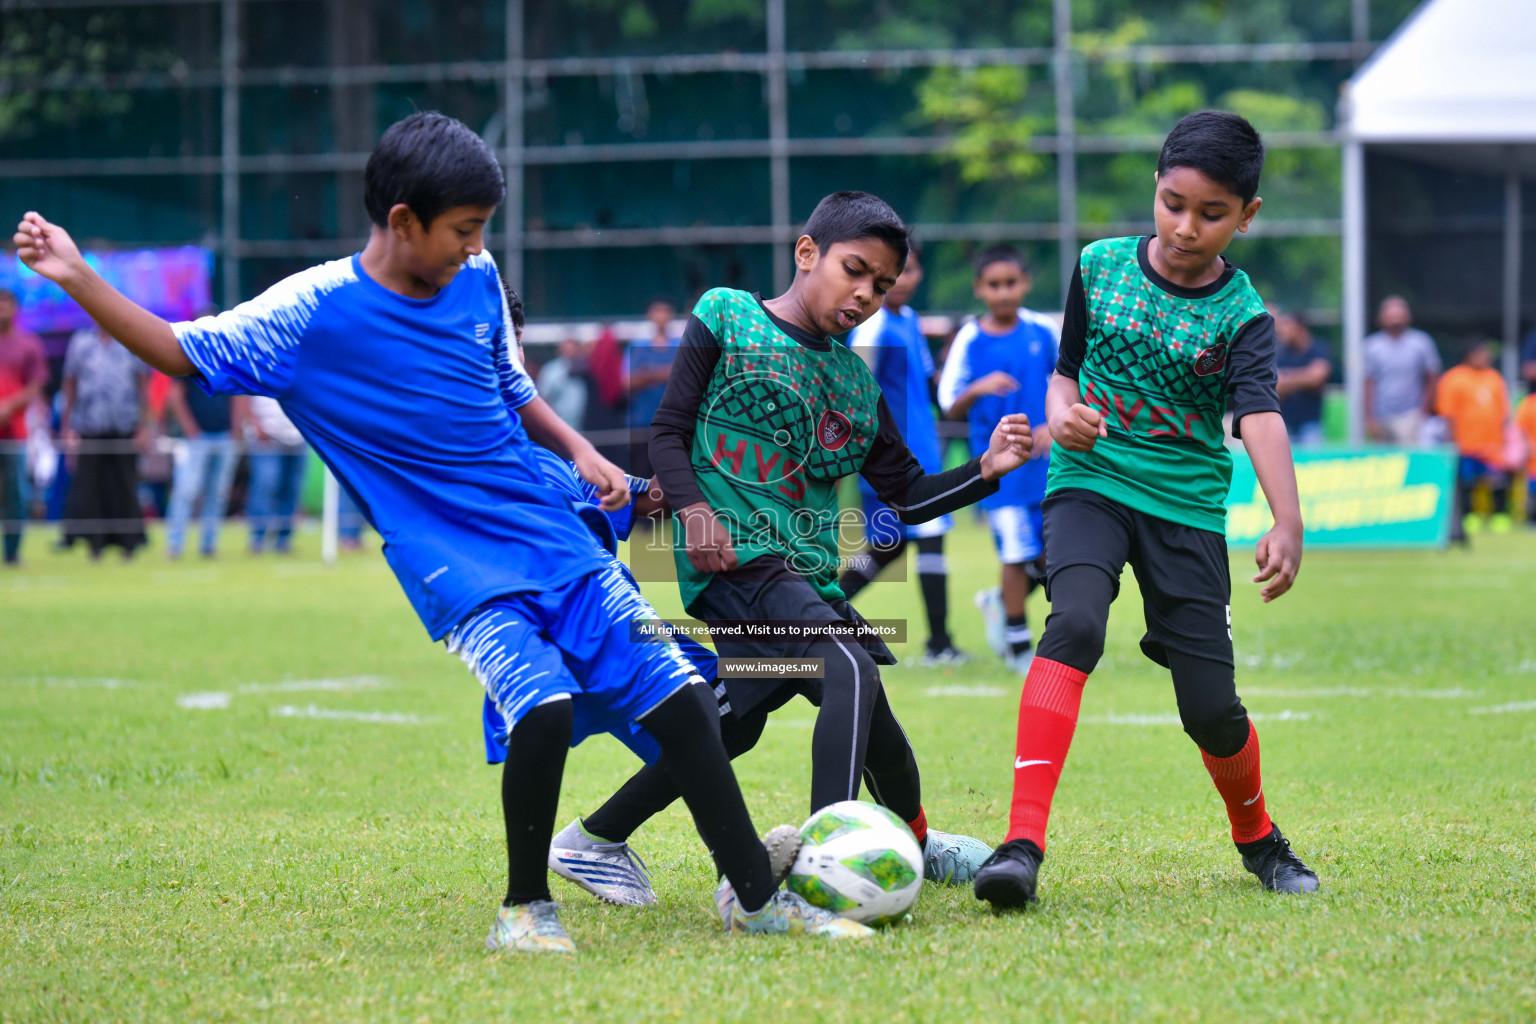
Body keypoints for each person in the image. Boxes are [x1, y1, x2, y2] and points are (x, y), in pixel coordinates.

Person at [14, 111, 869, 952]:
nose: (473, 245)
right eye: (462, 229)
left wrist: (582, 454)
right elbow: (177, 349)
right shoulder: (308, 312)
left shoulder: (479, 275)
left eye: (480, 230)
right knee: (541, 704)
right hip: (452, 561)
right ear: (401, 221)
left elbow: (510, 381)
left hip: (552, 534)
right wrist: (77, 275)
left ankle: (757, 901)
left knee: (682, 697)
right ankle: (525, 912)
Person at [574, 191, 1034, 900]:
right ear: (807, 252)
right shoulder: (725, 314)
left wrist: (985, 471)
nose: (865, 293)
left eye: (881, 285)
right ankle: (822, 868)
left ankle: (595, 839)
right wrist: (695, 513)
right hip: (733, 565)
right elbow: (668, 432)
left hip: (800, 577)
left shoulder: (853, 379)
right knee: (848, 668)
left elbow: (907, 493)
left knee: (756, 723)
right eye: (854, 270)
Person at [973, 110, 1319, 909]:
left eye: (1211, 213)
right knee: (1077, 624)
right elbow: (1065, 374)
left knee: (1210, 709)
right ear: (1154, 187)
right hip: (1091, 483)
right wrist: (1061, 416)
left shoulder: (1243, 314)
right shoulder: (1098, 267)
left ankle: (1259, 839)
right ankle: (1020, 844)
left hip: (1187, 508)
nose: (1185, 227)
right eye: (1172, 203)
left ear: (1247, 216)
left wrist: (1287, 519)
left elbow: (1258, 415)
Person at [836, 239, 967, 664]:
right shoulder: (874, 327)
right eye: (896, 272)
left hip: (923, 453)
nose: (904, 280)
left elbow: (930, 388)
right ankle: (939, 644)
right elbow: (851, 393)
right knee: (928, 539)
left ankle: (817, 620)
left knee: (889, 547)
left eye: (911, 271)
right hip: (893, 463)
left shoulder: (908, 319)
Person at [937, 245, 1059, 672]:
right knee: (1015, 552)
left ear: (1025, 284)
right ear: (979, 289)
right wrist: (978, 388)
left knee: (1048, 556)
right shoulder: (970, 339)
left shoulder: (1042, 332)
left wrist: (1053, 424)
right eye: (994, 284)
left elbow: (1069, 380)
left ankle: (996, 604)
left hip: (1046, 465)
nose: (1003, 292)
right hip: (1001, 470)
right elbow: (949, 402)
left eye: (1011, 283)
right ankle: (1019, 644)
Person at [59, 324, 150, 558]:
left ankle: (129, 543)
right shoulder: (80, 342)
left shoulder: (130, 338)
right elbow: (70, 383)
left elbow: (142, 384)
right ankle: (95, 544)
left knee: (127, 485)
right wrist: (67, 425)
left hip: (124, 424)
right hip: (89, 424)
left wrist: (144, 426)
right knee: (90, 487)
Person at [1437, 340, 1512, 535]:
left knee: (1497, 482)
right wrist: (1453, 440)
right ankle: (1469, 517)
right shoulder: (1454, 378)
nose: (1485, 357)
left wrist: (1504, 438)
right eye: (1481, 353)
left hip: (1492, 443)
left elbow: (1503, 412)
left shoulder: (1494, 378)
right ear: (1469, 355)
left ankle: (1499, 516)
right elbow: (1448, 413)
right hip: (1466, 443)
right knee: (1467, 482)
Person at [163, 370, 240, 559]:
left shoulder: (228, 358)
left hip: (225, 436)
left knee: (218, 494)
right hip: (195, 438)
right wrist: (189, 427)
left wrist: (236, 429)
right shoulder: (190, 355)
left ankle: (209, 545)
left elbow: (239, 395)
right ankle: (174, 545)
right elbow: (175, 395)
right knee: (185, 491)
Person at [0, 288, 48, 565]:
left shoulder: (28, 344)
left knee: (17, 494)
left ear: (15, 308)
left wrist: (9, 406)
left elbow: (37, 384)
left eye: (6, 303)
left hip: (14, 432)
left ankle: (12, 553)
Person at [1363, 296, 1440, 444]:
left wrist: (1424, 411)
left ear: (1407, 317)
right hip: (1380, 416)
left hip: (1410, 415)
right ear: (1381, 318)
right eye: (1390, 316)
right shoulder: (1371, 346)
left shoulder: (1421, 343)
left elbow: (1432, 376)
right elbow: (1367, 383)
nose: (1395, 321)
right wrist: (1369, 418)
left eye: (1398, 316)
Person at [244, 395, 309, 555]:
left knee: (291, 489)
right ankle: (257, 538)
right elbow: (243, 395)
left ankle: (283, 539)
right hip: (267, 435)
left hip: (297, 436)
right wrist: (254, 423)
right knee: (266, 485)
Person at [625, 297, 680, 477]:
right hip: (642, 424)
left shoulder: (680, 345)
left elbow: (683, 375)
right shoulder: (637, 347)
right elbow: (627, 382)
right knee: (642, 476)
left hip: (675, 424)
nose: (661, 316)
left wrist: (648, 374)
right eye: (657, 311)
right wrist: (665, 373)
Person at [1273, 310, 1332, 446]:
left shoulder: (1318, 348)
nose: (1281, 331)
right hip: (1285, 422)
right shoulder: (1281, 353)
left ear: (1299, 327)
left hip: (1311, 424)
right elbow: (1276, 384)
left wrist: (1287, 377)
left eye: (1286, 327)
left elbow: (1317, 377)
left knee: (1314, 465)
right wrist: (1304, 377)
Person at [536, 337, 588, 430]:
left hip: (579, 426)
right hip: (558, 426)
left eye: (574, 350)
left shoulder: (583, 368)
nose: (572, 354)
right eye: (568, 350)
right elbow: (543, 398)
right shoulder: (551, 370)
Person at [1516, 388, 1536, 526]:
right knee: (1533, 489)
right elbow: (1521, 428)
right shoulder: (1529, 403)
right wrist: (1528, 445)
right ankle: (1532, 519)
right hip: (1534, 456)